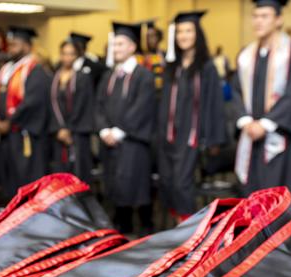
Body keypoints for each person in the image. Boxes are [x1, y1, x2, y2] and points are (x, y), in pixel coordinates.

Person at [231, 0, 291, 197]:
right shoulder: (245, 55)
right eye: (255, 16)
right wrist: (246, 121)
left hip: (281, 141)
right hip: (250, 138)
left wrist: (265, 124)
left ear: (278, 20)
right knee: (250, 203)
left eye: (264, 16)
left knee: (277, 205)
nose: (258, 21)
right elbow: (235, 91)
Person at [158, 11, 228, 223]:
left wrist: (214, 138)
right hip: (169, 135)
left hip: (192, 136)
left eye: (188, 31)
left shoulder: (206, 67)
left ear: (197, 34)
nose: (183, 35)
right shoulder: (172, 67)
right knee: (168, 182)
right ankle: (177, 230)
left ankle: (187, 231)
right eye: (179, 31)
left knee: (182, 183)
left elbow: (215, 103)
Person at [97, 22, 156, 235]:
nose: (116, 49)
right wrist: (104, 130)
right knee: (115, 186)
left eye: (120, 44)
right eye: (114, 45)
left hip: (133, 141)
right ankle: (121, 231)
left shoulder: (144, 75)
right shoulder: (109, 76)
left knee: (136, 188)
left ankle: (145, 232)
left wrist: (120, 131)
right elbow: (99, 105)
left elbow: (142, 107)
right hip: (110, 142)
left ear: (132, 47)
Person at [0, 26, 51, 198]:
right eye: (9, 45)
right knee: (9, 179)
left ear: (26, 46)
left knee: (26, 179)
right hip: (5, 135)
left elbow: (32, 102)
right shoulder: (5, 70)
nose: (10, 48)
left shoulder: (35, 70)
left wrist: (9, 122)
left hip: (24, 134)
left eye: (15, 45)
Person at [49, 38, 95, 184]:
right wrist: (59, 129)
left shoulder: (82, 77)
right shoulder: (54, 77)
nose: (67, 57)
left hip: (77, 133)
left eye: (71, 54)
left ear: (77, 56)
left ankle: (81, 205)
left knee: (79, 172)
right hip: (58, 133)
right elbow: (51, 104)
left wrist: (68, 129)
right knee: (61, 173)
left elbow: (82, 105)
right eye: (64, 54)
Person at [143, 20, 166, 93]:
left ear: (158, 37)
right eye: (148, 37)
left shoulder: (166, 55)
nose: (150, 40)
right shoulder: (141, 56)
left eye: (153, 36)